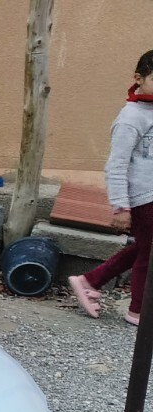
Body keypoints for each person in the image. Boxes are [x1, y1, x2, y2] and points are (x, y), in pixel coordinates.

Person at [69, 49, 153, 326]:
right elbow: (116, 165)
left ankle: (90, 280)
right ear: (138, 79)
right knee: (147, 254)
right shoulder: (131, 118)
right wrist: (121, 206)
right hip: (142, 198)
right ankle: (138, 311)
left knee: (145, 248)